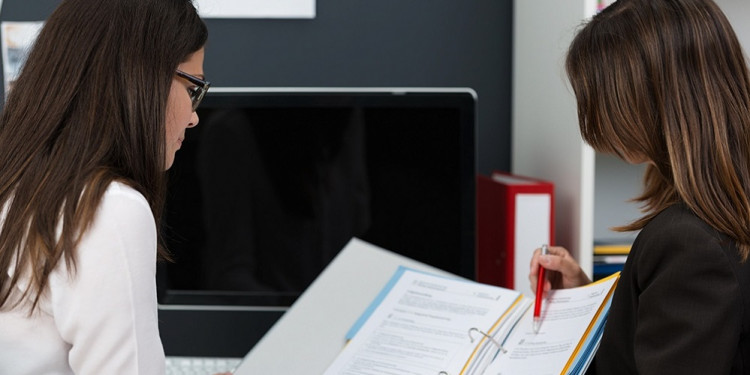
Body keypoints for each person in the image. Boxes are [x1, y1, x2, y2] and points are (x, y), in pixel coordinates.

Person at [529, 0, 750, 373]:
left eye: (601, 97)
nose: (595, 115)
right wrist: (590, 299)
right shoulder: (718, 219)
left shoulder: (690, 243)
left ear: (648, 99)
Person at [0, 0, 213, 373]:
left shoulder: (20, 183)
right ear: (141, 78)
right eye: (193, 88)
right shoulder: (108, 209)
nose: (194, 117)